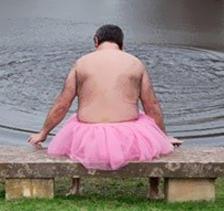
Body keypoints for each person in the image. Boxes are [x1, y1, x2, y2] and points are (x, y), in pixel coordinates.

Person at [27, 24, 182, 198]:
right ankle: (154, 190)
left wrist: (43, 133)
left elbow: (63, 103)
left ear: (96, 41)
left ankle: (75, 186)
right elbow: (151, 105)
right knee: (148, 129)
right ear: (122, 44)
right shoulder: (135, 63)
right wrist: (163, 137)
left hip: (89, 135)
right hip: (128, 135)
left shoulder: (81, 63)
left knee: (74, 125)